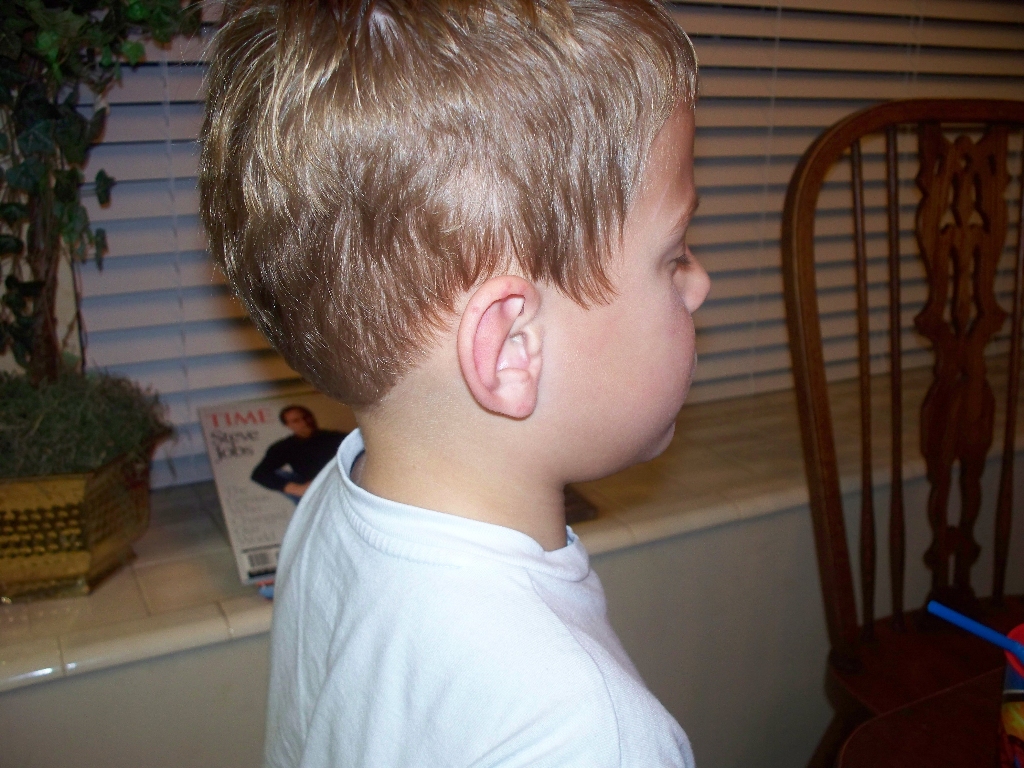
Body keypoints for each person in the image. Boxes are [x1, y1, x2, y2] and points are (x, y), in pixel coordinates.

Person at [199, 0, 710, 765]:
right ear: (510, 348)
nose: (700, 284)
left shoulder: (335, 503)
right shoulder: (585, 734)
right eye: (675, 255)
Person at [250, 406, 346, 500]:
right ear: (288, 425)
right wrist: (296, 489)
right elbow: (259, 474)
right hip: (315, 491)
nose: (304, 423)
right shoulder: (285, 447)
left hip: (342, 485)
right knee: (281, 474)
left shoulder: (338, 438)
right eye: (296, 421)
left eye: (306, 417)